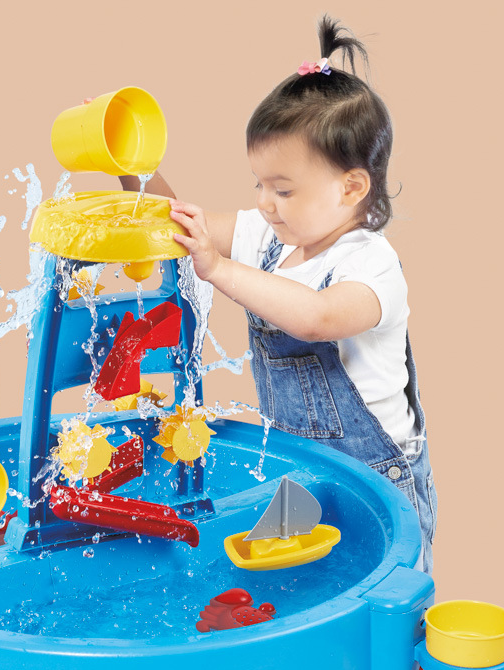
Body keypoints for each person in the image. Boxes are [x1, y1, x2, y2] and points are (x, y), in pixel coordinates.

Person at [128, 17, 437, 571]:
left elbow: (316, 318)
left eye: (284, 189)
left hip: (375, 480)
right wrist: (130, 164)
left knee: (379, 601)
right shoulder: (270, 236)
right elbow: (177, 224)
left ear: (351, 187)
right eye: (259, 184)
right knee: (298, 592)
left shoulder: (372, 265)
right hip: (299, 470)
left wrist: (219, 268)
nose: (264, 203)